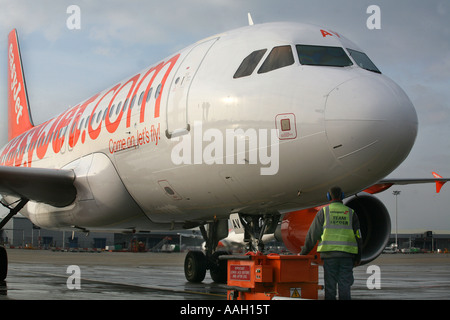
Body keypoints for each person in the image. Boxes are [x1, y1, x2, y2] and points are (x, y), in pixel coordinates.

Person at [299, 186, 362, 300]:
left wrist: (303, 253)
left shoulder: (323, 212)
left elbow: (312, 236)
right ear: (342, 196)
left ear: (328, 197)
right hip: (347, 256)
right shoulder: (351, 213)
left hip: (330, 256)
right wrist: (358, 257)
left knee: (330, 288)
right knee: (345, 287)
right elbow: (358, 237)